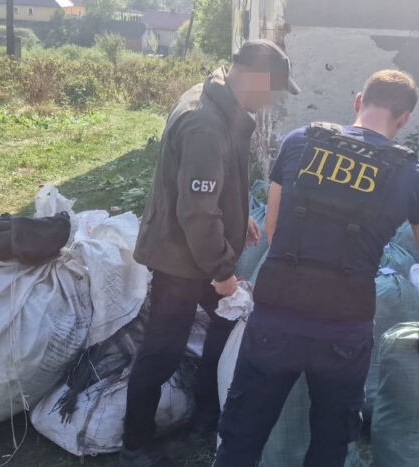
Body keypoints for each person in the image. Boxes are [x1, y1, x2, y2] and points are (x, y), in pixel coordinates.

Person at [214, 70, 419, 466]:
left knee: (241, 440)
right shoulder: (412, 176)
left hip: (276, 318)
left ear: (358, 101)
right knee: (330, 445)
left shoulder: (299, 141)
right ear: (404, 119)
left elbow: (273, 228)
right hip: (343, 332)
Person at [123, 39, 300, 466]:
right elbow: (198, 213)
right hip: (181, 258)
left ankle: (206, 411)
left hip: (196, 250)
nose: (271, 100)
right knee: (162, 349)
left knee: (226, 322)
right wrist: (222, 274)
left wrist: (241, 217)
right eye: (272, 89)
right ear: (255, 77)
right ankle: (135, 444)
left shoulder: (220, 102)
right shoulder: (205, 123)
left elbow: (212, 188)